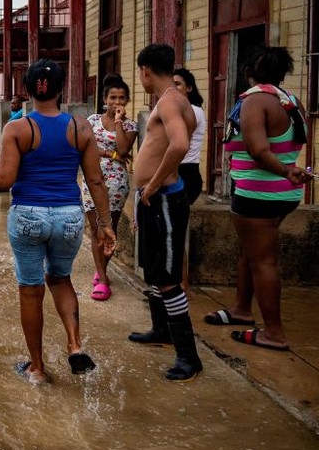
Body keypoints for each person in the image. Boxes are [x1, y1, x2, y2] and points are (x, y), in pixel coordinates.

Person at [0, 59, 116, 384]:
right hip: (69, 216)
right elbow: (96, 181)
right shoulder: (81, 127)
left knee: (30, 290)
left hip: (29, 215)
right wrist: (105, 224)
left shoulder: (17, 128)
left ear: (27, 90)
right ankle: (74, 344)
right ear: (62, 89)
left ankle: (37, 369)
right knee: (61, 280)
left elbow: (5, 180)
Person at [204, 46, 310, 351]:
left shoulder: (255, 101)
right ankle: (241, 308)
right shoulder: (290, 100)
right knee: (249, 252)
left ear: (249, 70)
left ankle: (273, 332)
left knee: (263, 260)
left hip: (259, 193)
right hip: (283, 194)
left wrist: (285, 170)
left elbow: (258, 149)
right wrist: (288, 172)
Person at [128, 43, 202, 382]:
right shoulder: (171, 100)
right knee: (156, 271)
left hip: (165, 201)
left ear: (145, 71)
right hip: (151, 201)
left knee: (170, 278)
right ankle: (162, 329)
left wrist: (155, 183)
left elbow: (179, 145)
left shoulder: (171, 101)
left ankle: (189, 357)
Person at [81, 74, 138, 301]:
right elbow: (85, 148)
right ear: (104, 99)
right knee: (95, 229)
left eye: (121, 98)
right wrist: (108, 153)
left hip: (116, 183)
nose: (116, 102)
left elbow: (123, 150)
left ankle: (101, 272)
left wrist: (118, 122)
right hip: (91, 177)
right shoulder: (91, 121)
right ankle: (103, 278)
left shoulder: (130, 125)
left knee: (109, 229)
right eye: (112, 97)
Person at [173, 68, 206, 205]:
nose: (173, 88)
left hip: (185, 173)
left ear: (189, 88)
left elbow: (178, 144)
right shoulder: (177, 110)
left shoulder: (193, 111)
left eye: (177, 84)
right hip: (178, 172)